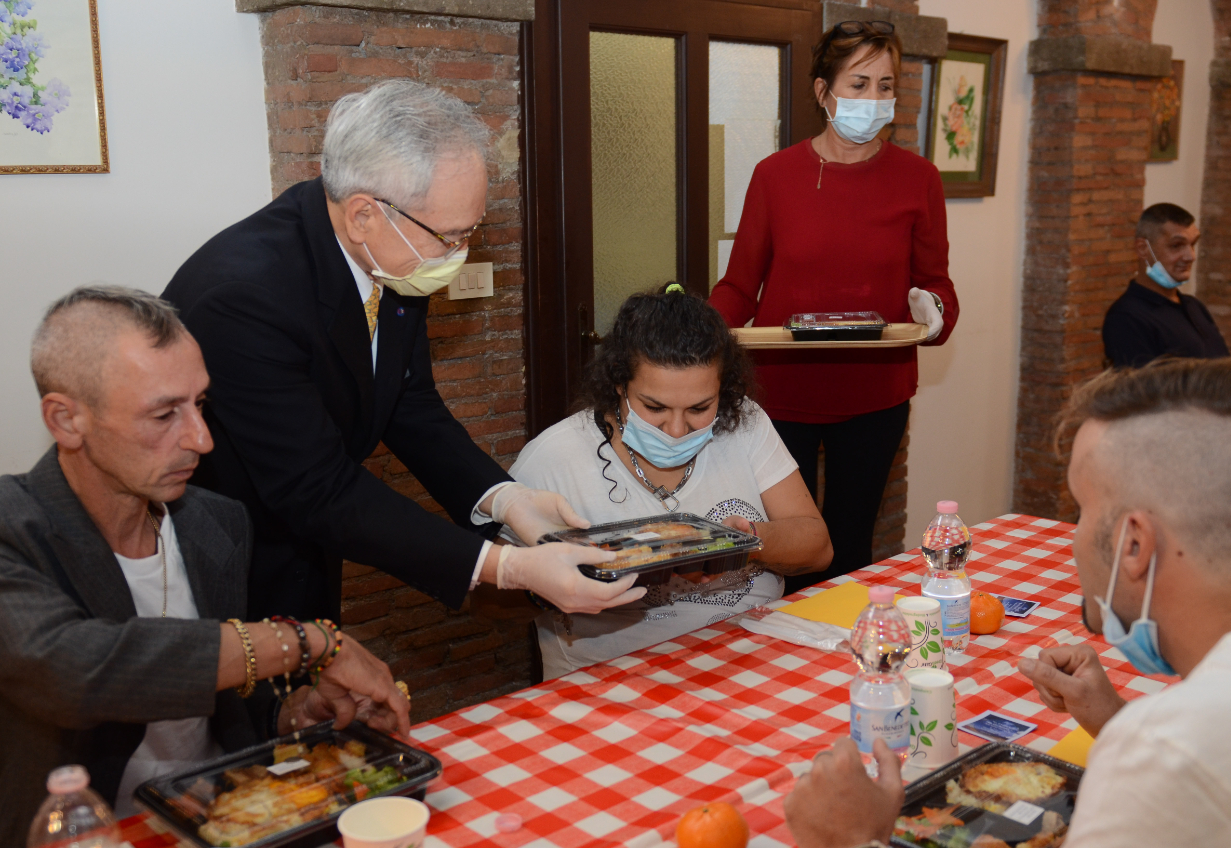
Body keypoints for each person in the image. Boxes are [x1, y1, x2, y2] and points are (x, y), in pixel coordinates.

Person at [162, 80, 642, 623]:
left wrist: (504, 498)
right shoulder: (245, 297)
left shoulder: (390, 255)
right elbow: (315, 486)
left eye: (470, 233)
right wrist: (503, 567)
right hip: (224, 561)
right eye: (451, 235)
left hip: (312, 543)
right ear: (365, 213)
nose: (458, 254)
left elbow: (410, 405)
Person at [783, 357, 1231, 848]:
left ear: (1134, 545)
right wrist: (1116, 721)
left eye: (1080, 510)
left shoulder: (1160, 758)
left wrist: (851, 840)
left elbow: (1185, 763)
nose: (1073, 538)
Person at [0, 288, 410, 843]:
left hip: (228, 821)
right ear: (67, 419)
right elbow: (75, 669)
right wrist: (308, 641)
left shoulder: (213, 522)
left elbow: (228, 708)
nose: (201, 438)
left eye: (201, 405)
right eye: (165, 413)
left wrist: (296, 713)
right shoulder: (11, 527)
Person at [708, 21, 959, 595]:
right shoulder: (775, 175)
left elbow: (936, 284)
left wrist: (933, 309)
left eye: (885, 85)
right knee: (784, 551)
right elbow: (740, 287)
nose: (873, 100)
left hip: (875, 397)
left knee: (849, 548)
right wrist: (700, 333)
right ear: (823, 92)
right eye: (859, 83)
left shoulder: (918, 179)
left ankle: (844, 663)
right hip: (779, 395)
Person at [508, 286, 832, 678]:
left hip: (748, 657)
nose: (677, 430)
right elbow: (490, 602)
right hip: (614, 679)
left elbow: (817, 547)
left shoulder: (744, 423)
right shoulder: (553, 459)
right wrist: (561, 580)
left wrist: (743, 545)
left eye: (699, 408)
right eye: (655, 408)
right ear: (618, 385)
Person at [1102, 203, 1229, 368]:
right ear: (1143, 249)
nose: (1190, 256)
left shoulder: (1194, 306)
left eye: (1193, 244)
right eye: (1176, 246)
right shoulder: (1126, 317)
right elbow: (1145, 390)